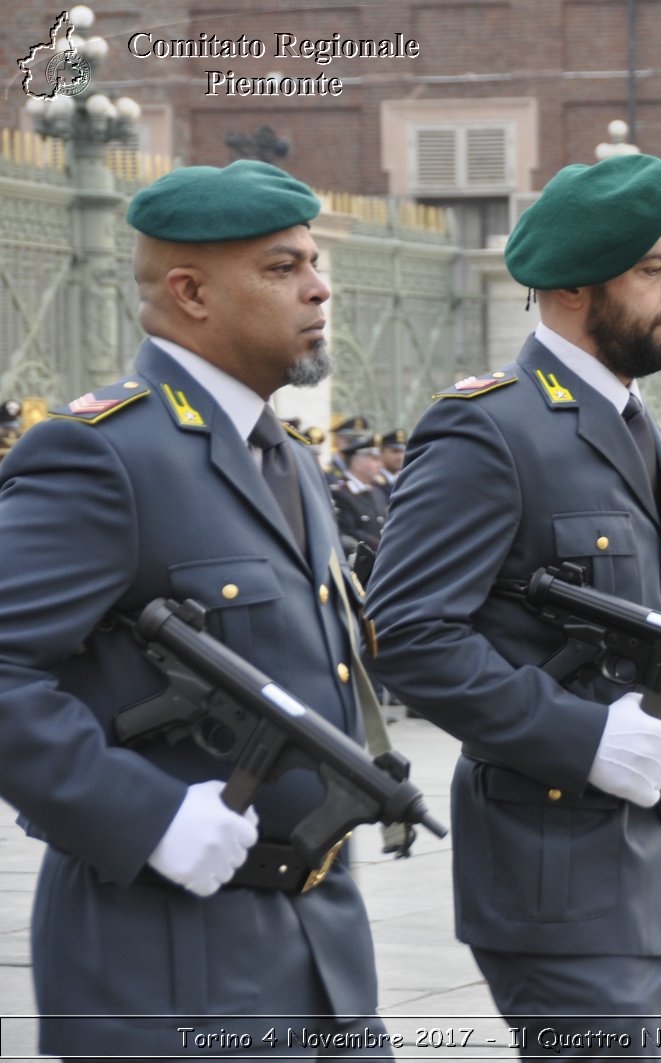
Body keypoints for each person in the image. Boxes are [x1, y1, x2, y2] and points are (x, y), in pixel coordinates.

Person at [363, 153, 661, 1053]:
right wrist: (582, 737)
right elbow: (410, 633)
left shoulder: (631, 420)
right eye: (656, 269)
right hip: (566, 874)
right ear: (577, 285)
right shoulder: (490, 428)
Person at [0, 161, 392, 1057]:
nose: (320, 285)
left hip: (321, 953)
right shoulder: (104, 455)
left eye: (315, 261)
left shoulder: (281, 456)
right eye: (283, 266)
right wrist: (148, 817)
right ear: (190, 291)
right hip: (168, 963)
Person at [329, 432, 389, 560]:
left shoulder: (376, 492)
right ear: (357, 462)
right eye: (374, 459)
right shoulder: (340, 493)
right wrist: (384, 547)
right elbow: (349, 532)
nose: (381, 465)